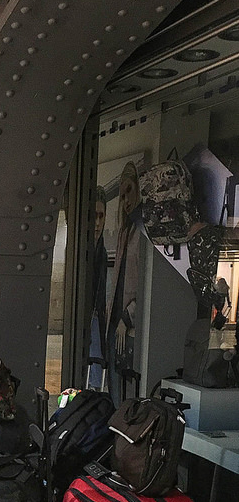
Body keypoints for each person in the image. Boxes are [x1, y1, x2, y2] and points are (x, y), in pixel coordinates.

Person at [106, 161, 141, 405]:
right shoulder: (125, 232)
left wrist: (127, 316)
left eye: (129, 190)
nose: (125, 199)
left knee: (127, 385)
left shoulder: (141, 231)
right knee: (115, 382)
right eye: (121, 195)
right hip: (116, 320)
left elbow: (146, 285)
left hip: (127, 322)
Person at [88, 186, 109, 390]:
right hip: (86, 313)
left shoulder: (100, 250)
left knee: (96, 356)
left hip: (96, 313)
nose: (97, 223)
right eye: (93, 216)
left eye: (100, 216)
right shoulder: (82, 249)